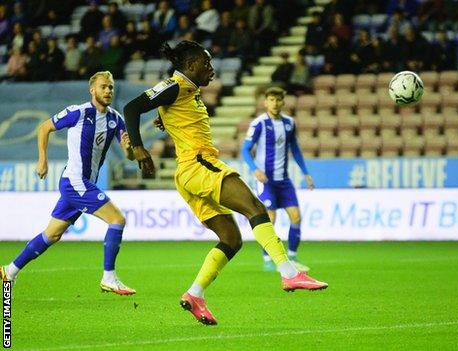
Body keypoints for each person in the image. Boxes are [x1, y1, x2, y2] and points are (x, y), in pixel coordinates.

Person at [122, 40, 328, 326]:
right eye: (206, 65)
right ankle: (290, 273)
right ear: (191, 65)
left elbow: (175, 115)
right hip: (199, 165)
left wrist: (163, 120)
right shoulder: (175, 85)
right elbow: (131, 108)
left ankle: (195, 294)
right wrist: (140, 148)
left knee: (232, 239)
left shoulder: (186, 92)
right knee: (255, 206)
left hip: (188, 173)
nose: (211, 71)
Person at [0, 71, 136, 296]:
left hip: (82, 184)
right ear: (92, 89)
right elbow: (44, 127)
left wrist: (129, 148)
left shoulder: (115, 119)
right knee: (117, 219)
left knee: (52, 234)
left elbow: (129, 156)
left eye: (111, 87)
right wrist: (42, 159)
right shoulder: (78, 112)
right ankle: (109, 277)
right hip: (75, 181)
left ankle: (9, 271)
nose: (108, 91)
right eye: (103, 87)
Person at [241, 86, 314, 272]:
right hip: (265, 181)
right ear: (265, 102)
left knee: (296, 217)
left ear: (283, 102)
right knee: (270, 218)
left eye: (278, 100)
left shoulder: (289, 123)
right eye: (271, 100)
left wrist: (305, 173)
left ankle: (292, 257)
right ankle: (267, 259)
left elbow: (295, 149)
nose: (275, 103)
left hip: (284, 180)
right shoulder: (259, 123)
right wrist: (254, 169)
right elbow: (245, 150)